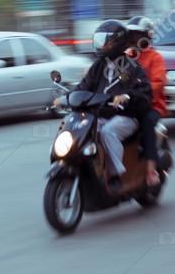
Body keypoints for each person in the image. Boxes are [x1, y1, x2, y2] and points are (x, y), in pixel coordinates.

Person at [56, 20, 152, 182]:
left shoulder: (131, 67)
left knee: (108, 132)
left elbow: (144, 91)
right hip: (100, 114)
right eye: (101, 40)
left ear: (119, 42)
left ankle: (116, 175)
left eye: (107, 41)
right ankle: (84, 166)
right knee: (75, 128)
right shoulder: (98, 66)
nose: (103, 45)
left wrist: (126, 96)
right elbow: (83, 87)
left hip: (126, 116)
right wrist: (65, 98)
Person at [126, 16, 166, 187]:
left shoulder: (155, 57)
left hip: (152, 106)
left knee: (146, 123)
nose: (134, 39)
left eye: (137, 35)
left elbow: (159, 83)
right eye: (132, 35)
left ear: (147, 36)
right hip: (129, 104)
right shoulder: (127, 57)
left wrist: (140, 92)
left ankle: (151, 170)